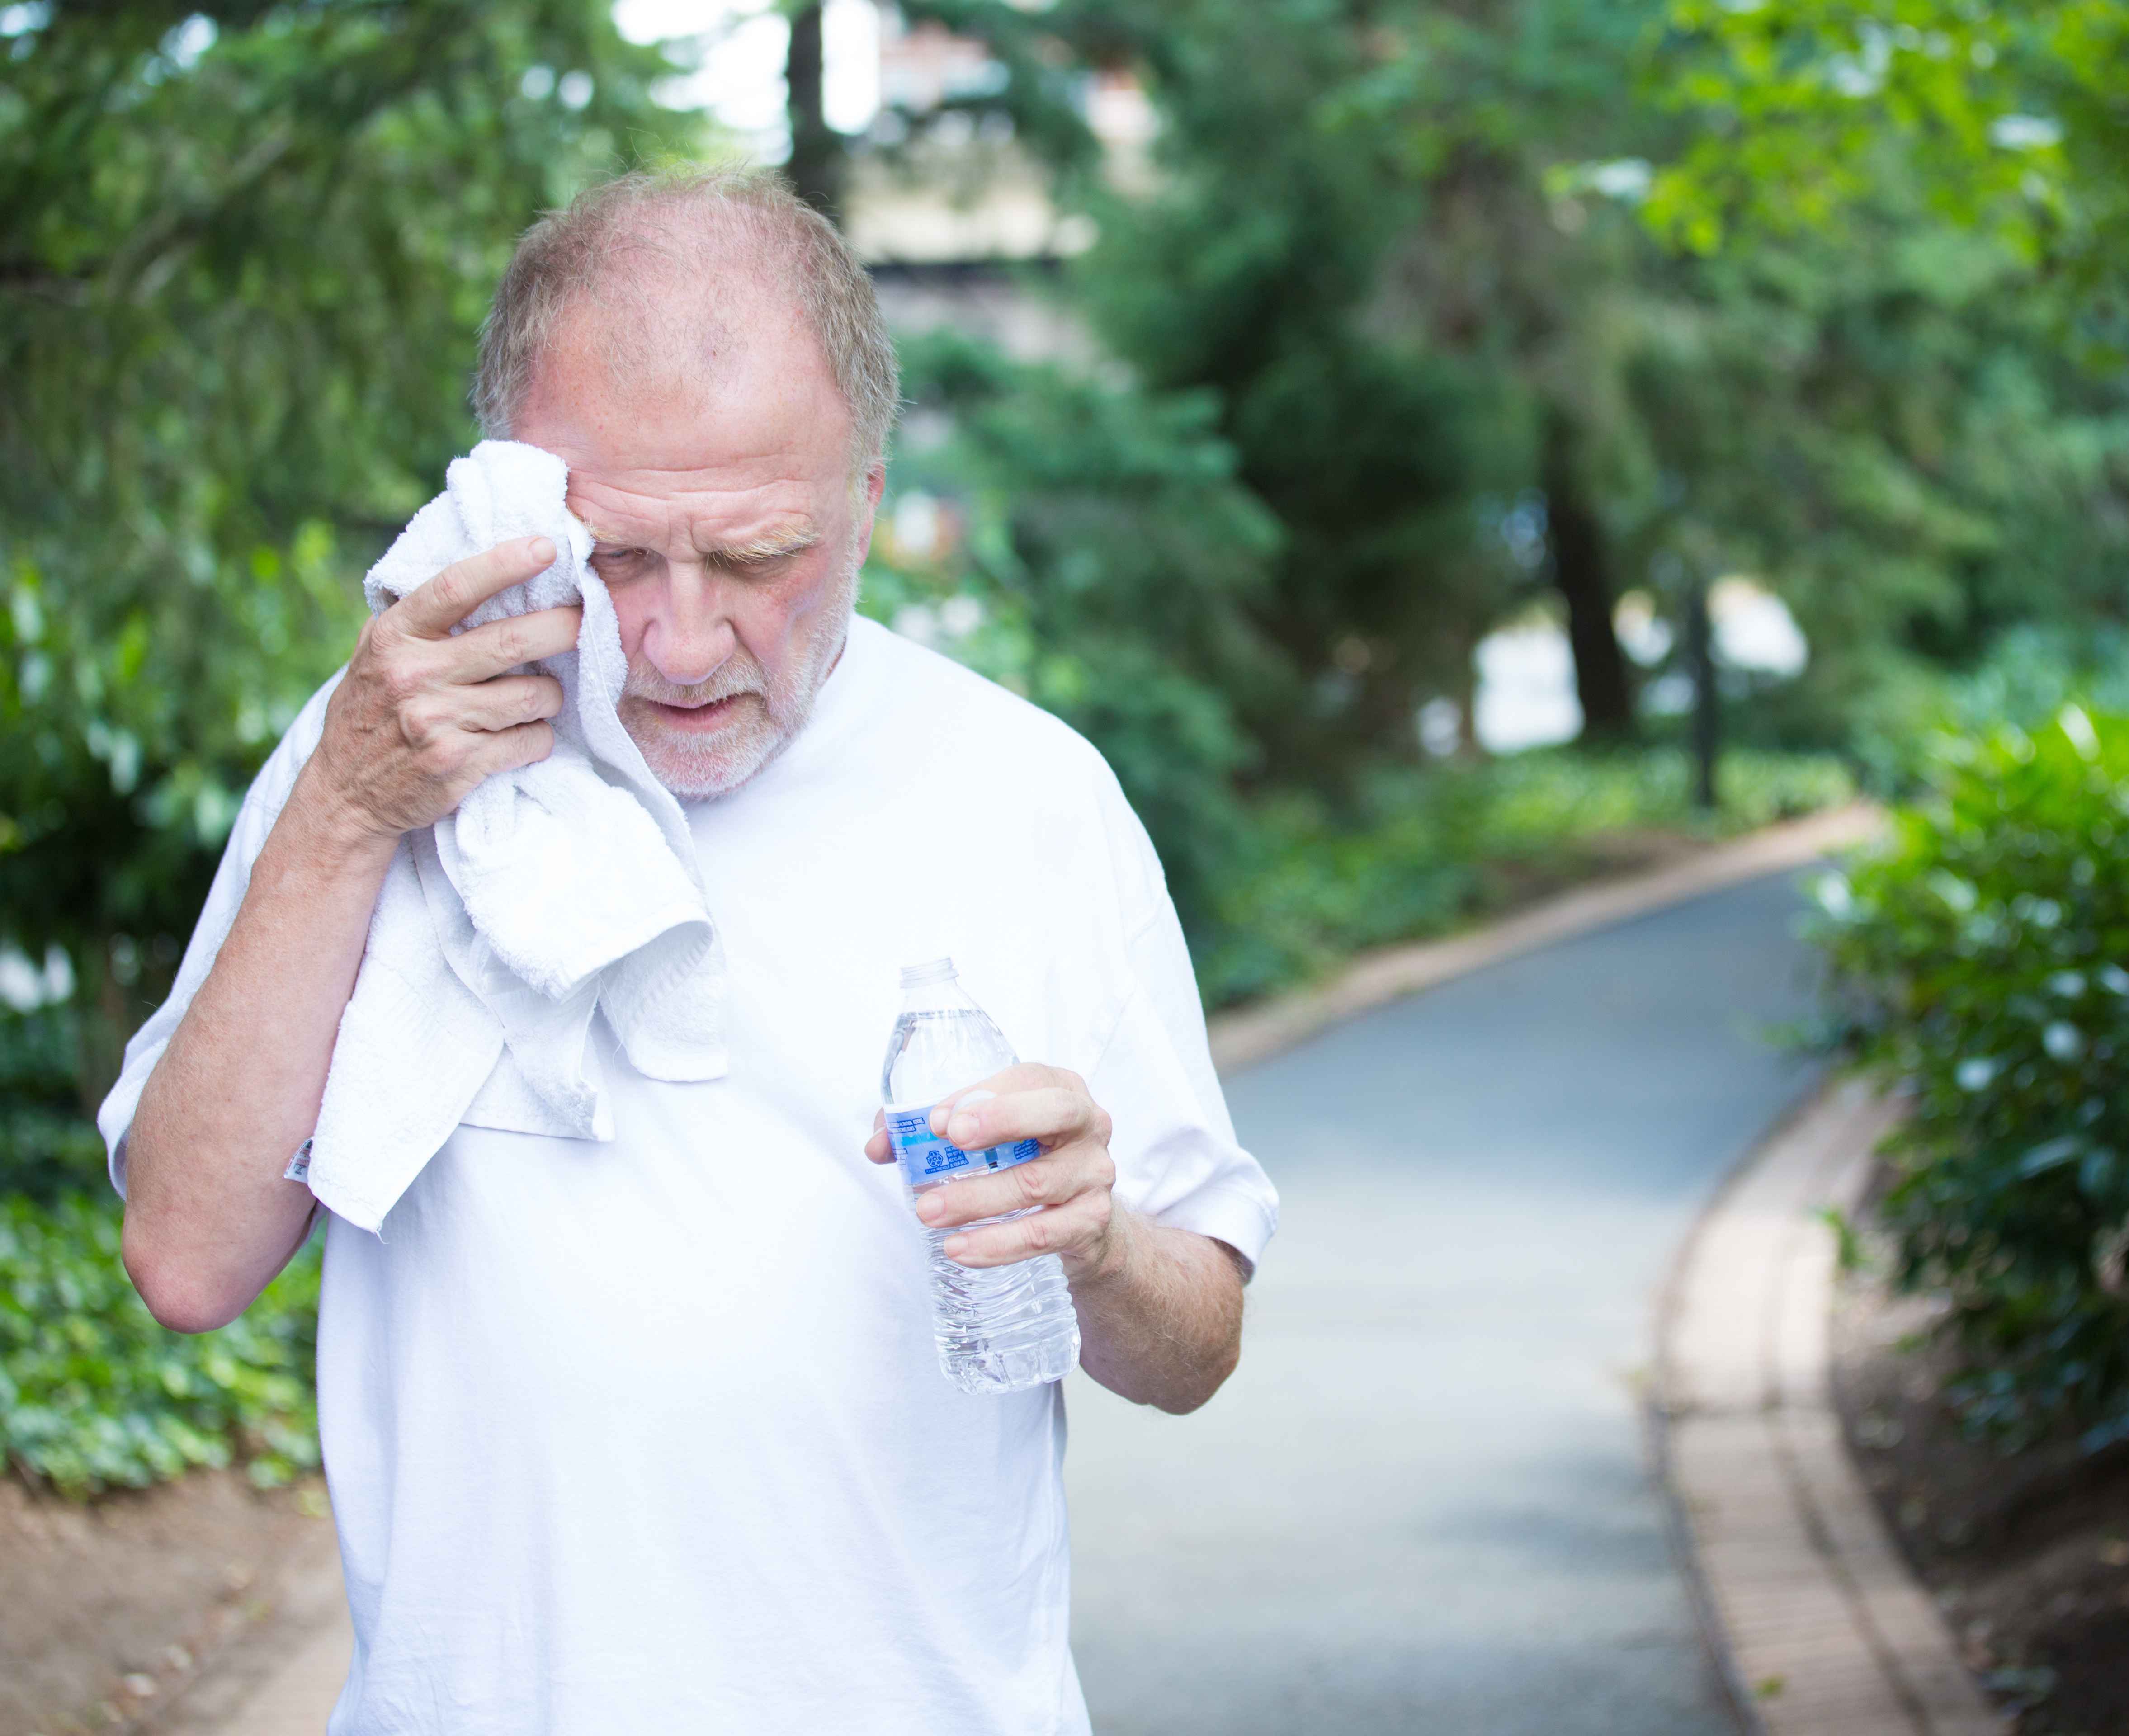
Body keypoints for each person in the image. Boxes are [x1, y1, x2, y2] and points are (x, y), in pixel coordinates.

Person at [98, 166, 1277, 1735]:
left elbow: (1195, 1344)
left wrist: (1099, 1241)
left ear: (864, 499)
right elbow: (185, 1257)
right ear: (511, 501)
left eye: (753, 557)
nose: (677, 641)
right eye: (618, 558)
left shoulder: (1028, 794)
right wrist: (349, 807)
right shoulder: (386, 749)